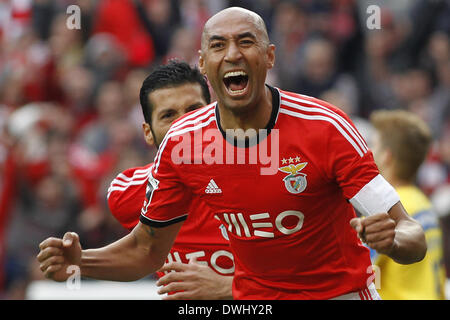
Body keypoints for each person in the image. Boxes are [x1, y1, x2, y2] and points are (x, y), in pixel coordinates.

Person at [37, 7, 426, 300]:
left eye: (246, 42)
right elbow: (146, 249)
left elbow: (412, 234)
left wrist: (393, 240)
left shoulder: (325, 128)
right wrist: (80, 261)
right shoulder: (183, 145)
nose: (233, 55)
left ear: (270, 56)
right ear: (203, 64)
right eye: (219, 46)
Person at [107, 61, 233, 299]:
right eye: (168, 115)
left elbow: (311, 280)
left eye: (194, 110)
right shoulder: (129, 195)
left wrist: (230, 289)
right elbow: (139, 253)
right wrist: (78, 260)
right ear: (148, 132)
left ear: (216, 115)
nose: (185, 125)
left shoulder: (259, 178)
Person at [370, 109, 446, 300]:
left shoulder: (385, 209)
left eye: (374, 145)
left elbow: (363, 274)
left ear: (387, 156)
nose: (369, 152)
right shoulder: (423, 203)